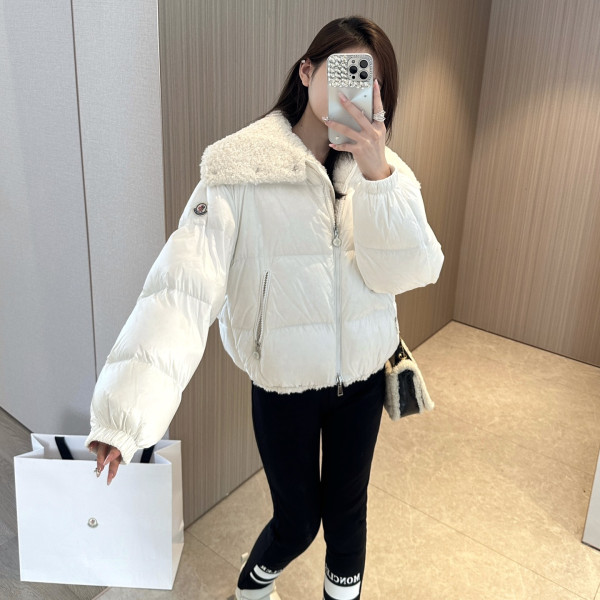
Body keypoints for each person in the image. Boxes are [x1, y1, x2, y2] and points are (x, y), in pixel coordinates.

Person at [86, 14, 444, 600]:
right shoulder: (237, 169)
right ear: (306, 71)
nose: (363, 90)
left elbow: (410, 271)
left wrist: (377, 174)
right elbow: (180, 290)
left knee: (348, 518)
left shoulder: (383, 172)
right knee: (298, 522)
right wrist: (125, 416)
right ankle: (252, 587)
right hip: (284, 387)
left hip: (361, 380)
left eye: (375, 83)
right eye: (350, 72)